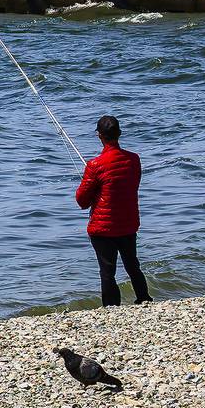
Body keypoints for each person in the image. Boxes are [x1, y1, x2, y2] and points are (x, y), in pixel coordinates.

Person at [75, 115, 152, 307]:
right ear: (119, 134)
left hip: (103, 228)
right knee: (132, 265)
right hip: (128, 223)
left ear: (99, 136)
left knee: (107, 271)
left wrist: (93, 188)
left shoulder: (95, 165)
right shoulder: (134, 159)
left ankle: (111, 307)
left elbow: (81, 200)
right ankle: (144, 299)